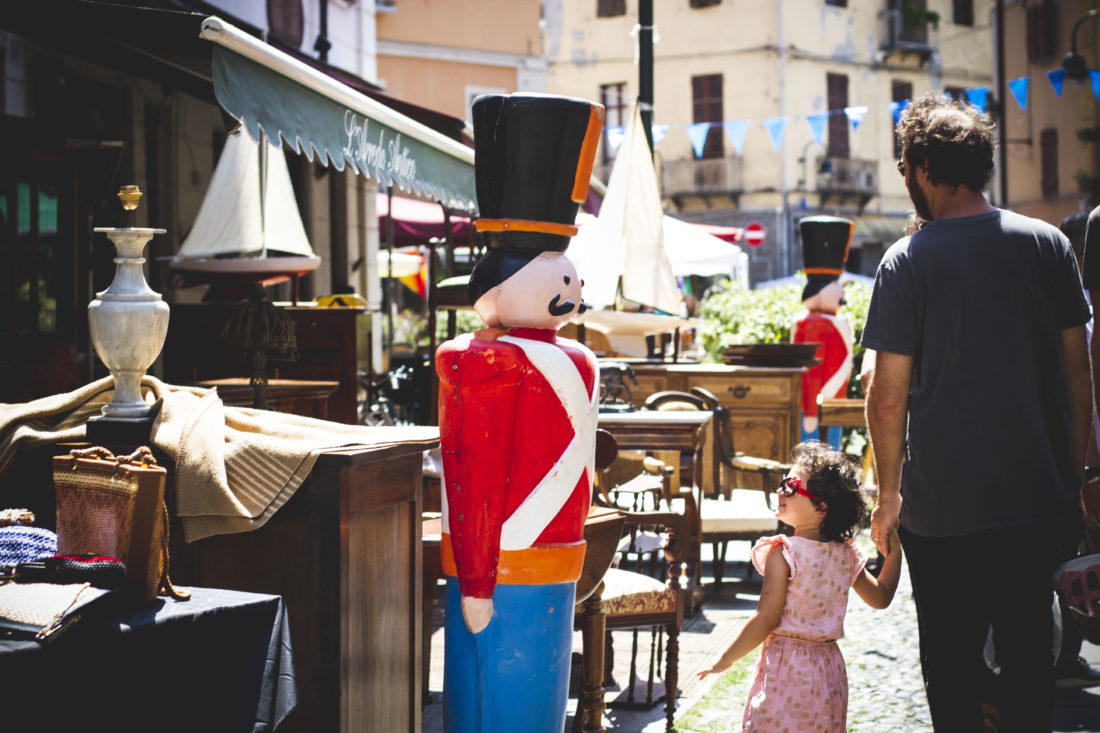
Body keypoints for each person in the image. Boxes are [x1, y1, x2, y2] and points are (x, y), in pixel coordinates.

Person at [864, 92, 1091, 731]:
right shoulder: (1047, 245)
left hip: (941, 512)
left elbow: (887, 397)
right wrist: (1073, 482)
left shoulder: (906, 261)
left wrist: (887, 497)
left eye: (907, 167)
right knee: (1028, 656)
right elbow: (1081, 375)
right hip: (1035, 502)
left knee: (950, 660)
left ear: (923, 169)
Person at [435, 93, 604, 733]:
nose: (568, 288)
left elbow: (472, 474)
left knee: (504, 698)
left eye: (568, 274)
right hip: (540, 554)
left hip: (504, 561)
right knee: (523, 699)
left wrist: (477, 582)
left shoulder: (480, 362)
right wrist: (479, 580)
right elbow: (477, 474)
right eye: (554, 273)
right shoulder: (564, 361)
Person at [696, 441, 902, 732]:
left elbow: (766, 618)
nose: (781, 490)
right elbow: (881, 597)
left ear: (820, 507)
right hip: (829, 670)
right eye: (783, 482)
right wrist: (895, 555)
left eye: (791, 486)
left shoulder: (784, 553)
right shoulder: (846, 553)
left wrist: (725, 659)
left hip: (788, 669)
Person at [792, 216, 855, 444]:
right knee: (817, 456)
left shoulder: (805, 322)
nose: (842, 297)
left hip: (824, 401)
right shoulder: (812, 323)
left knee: (811, 456)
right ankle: (797, 483)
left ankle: (795, 482)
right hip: (823, 401)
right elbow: (811, 368)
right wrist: (814, 405)